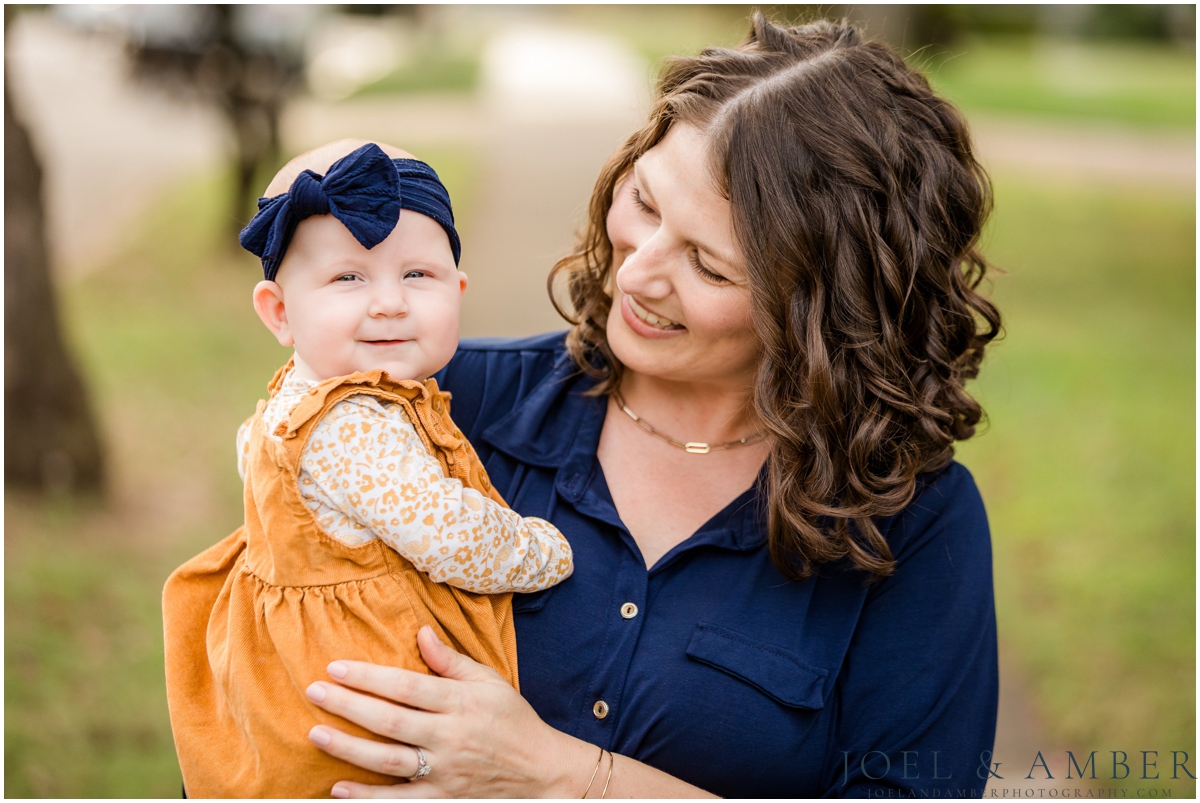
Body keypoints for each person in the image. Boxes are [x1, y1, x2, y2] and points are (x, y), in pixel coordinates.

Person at [300, 16, 1003, 798]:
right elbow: (260, 652)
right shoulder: (440, 403)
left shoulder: (912, 522)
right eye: (643, 201)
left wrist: (558, 774)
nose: (639, 275)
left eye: (708, 264)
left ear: (822, 318)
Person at [161, 140, 573, 798]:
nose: (389, 302)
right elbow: (452, 535)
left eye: (418, 275)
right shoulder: (351, 428)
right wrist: (536, 547)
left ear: (457, 291)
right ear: (278, 311)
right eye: (348, 278)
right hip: (358, 712)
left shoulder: (298, 400)